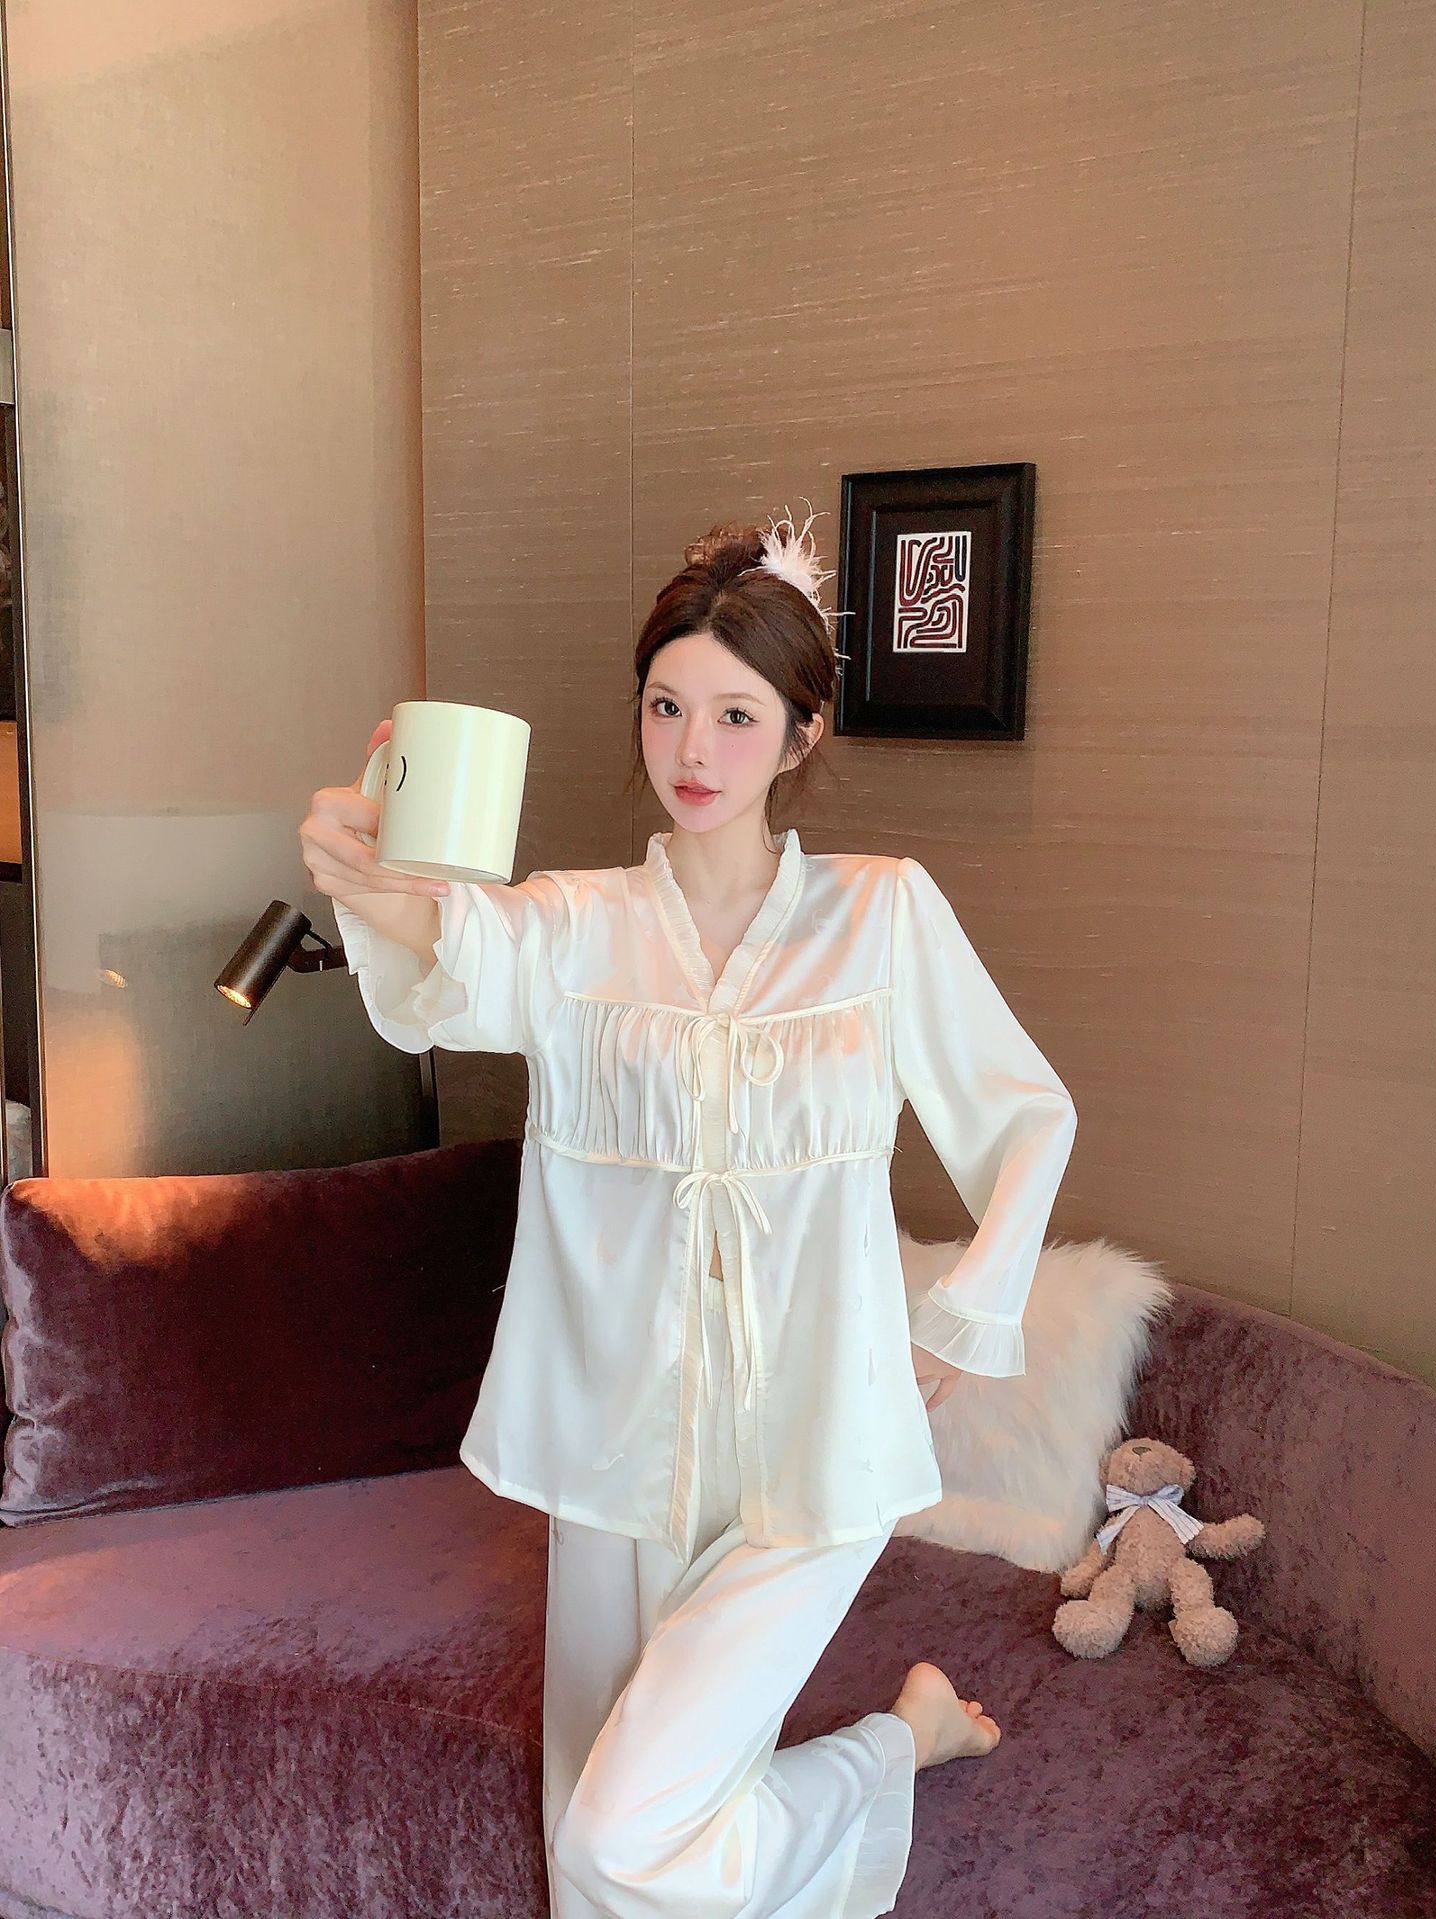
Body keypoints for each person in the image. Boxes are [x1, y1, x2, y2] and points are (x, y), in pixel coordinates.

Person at [298, 505, 1078, 1918]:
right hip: (622, 1456)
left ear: (799, 735)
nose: (693, 751)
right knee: (587, 1832)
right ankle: (910, 1735)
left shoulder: (882, 916)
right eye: (666, 707)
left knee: (618, 1844)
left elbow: (1029, 1115)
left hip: (815, 1453)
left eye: (735, 715)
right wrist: (369, 871)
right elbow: (453, 945)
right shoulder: (577, 924)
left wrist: (964, 1316)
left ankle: (891, 1746)